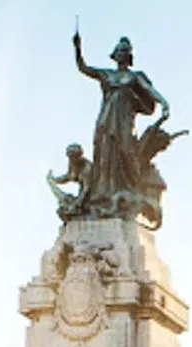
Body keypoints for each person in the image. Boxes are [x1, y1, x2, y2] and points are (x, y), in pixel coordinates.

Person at [73, 32, 168, 217]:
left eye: (125, 50)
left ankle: (130, 191)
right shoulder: (106, 74)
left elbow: (149, 90)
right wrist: (77, 48)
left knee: (126, 151)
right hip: (106, 120)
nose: (121, 52)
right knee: (104, 153)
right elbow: (83, 68)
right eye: (119, 50)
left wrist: (164, 102)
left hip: (124, 120)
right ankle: (102, 195)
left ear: (129, 55)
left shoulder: (135, 76)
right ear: (115, 54)